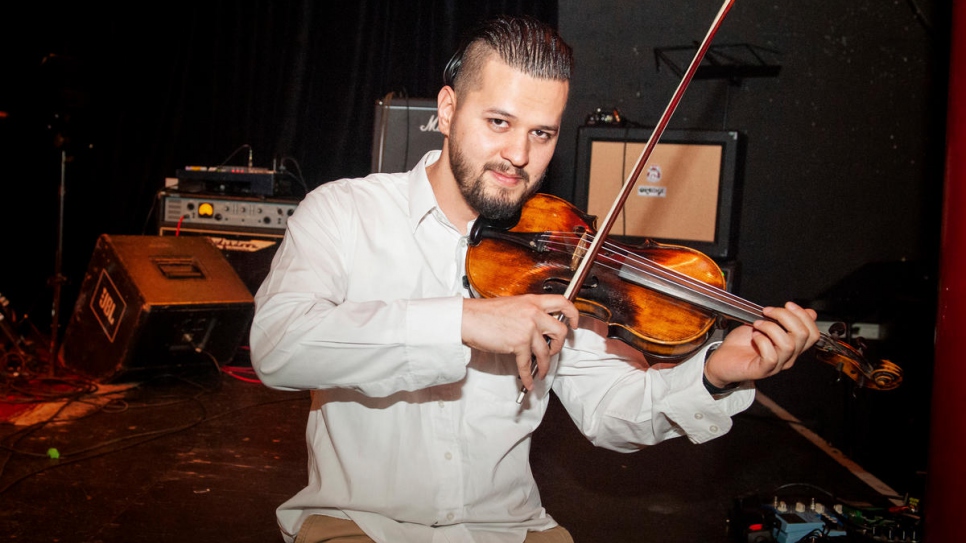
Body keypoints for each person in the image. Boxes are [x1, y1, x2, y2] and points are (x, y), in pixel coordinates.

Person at [249, 14, 820, 543]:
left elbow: (611, 411)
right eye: (498, 122)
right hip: (362, 525)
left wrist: (714, 376)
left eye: (542, 134)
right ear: (447, 111)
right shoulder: (343, 212)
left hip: (511, 529)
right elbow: (279, 347)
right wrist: (465, 321)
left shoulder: (564, 256)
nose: (517, 155)